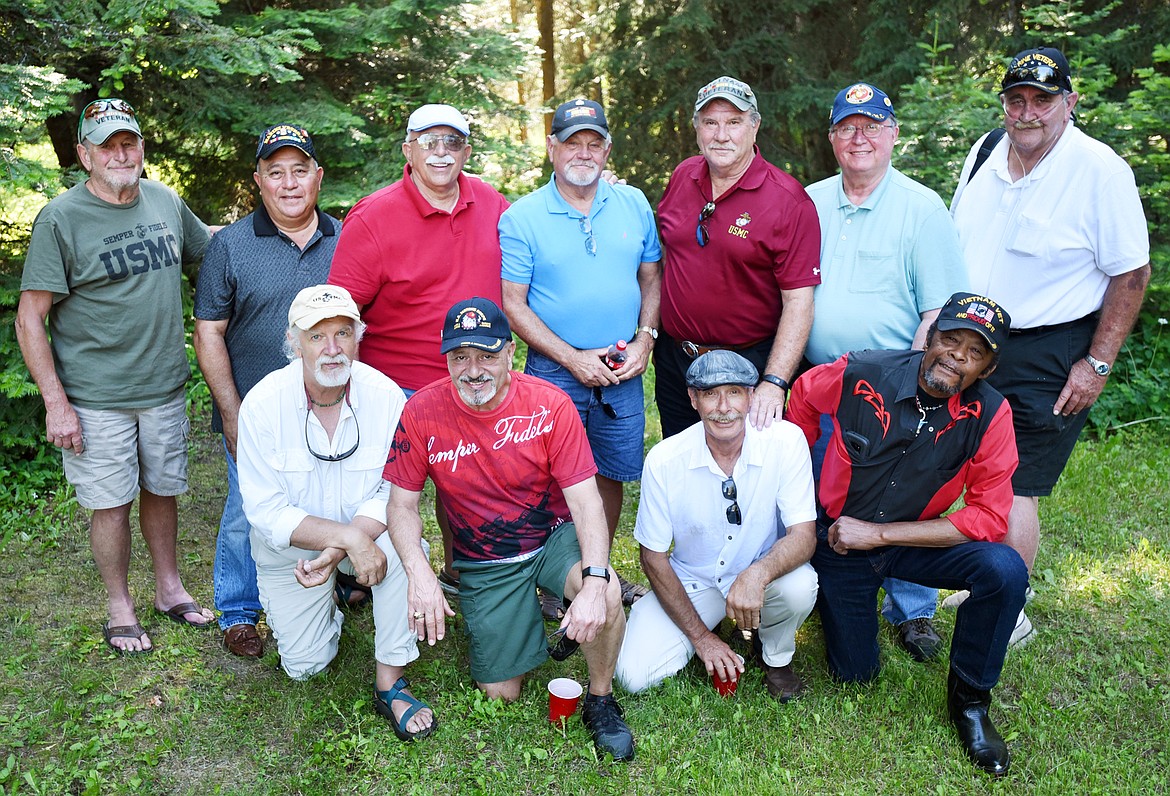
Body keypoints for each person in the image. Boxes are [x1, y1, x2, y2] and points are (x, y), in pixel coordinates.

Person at [949, 48, 1151, 642]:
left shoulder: (1100, 170)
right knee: (973, 466)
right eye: (1017, 99)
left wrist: (1097, 363)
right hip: (974, 337)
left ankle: (1006, 609)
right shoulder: (986, 151)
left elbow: (1131, 275)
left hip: (1048, 347)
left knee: (1016, 482)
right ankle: (988, 576)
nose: (1028, 112)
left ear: (1070, 102)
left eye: (1043, 99)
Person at [787, 292, 1028, 776]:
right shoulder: (863, 371)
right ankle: (823, 597)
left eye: (974, 352)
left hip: (905, 545)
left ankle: (971, 704)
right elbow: (804, 397)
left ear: (986, 369)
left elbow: (988, 518)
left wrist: (878, 534)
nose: (957, 356)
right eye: (950, 339)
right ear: (929, 338)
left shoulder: (991, 414)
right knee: (856, 676)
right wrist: (801, 485)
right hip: (839, 543)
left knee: (1005, 569)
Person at [384, 297, 635, 762]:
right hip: (485, 558)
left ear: (510, 354)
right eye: (460, 357)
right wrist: (420, 574)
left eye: (486, 355)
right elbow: (401, 506)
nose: (473, 370)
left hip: (551, 537)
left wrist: (597, 580)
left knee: (605, 588)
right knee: (499, 693)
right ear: (446, 359)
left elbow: (585, 501)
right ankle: (547, 627)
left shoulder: (550, 405)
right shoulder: (421, 411)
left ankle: (600, 699)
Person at [15, 97, 214, 655]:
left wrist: (282, 220)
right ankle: (119, 605)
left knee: (163, 488)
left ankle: (169, 589)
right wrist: (56, 403)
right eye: (107, 146)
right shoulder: (62, 218)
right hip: (97, 396)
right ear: (84, 155)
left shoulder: (165, 202)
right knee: (111, 501)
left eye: (128, 143)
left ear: (141, 149)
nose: (120, 154)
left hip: (164, 386)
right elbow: (30, 318)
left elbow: (213, 248)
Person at [804, 83, 970, 662]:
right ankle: (834, 593)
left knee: (905, 493)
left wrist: (912, 387)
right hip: (821, 379)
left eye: (873, 125)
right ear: (832, 138)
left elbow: (940, 313)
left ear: (894, 133)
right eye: (848, 126)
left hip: (897, 382)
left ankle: (914, 611)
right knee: (829, 488)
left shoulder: (922, 209)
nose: (860, 136)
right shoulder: (811, 201)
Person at [235, 285, 435, 741]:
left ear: (358, 337)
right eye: (316, 336)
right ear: (294, 342)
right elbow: (266, 511)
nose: (331, 349)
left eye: (343, 333)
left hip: (370, 531)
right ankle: (342, 591)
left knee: (407, 547)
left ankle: (391, 681)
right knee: (306, 667)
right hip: (295, 551)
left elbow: (394, 489)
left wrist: (351, 541)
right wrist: (345, 543)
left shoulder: (386, 396)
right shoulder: (262, 404)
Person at [328, 103, 511, 596]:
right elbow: (342, 313)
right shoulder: (374, 216)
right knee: (384, 488)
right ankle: (361, 571)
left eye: (451, 142)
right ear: (408, 149)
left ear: (466, 152)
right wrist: (344, 386)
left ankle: (465, 571)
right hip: (397, 384)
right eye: (428, 141)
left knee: (473, 482)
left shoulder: (494, 206)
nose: (440, 152)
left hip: (474, 376)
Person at [500, 98, 662, 607]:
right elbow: (514, 305)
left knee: (610, 470)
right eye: (573, 143)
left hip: (621, 364)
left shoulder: (633, 203)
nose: (584, 153)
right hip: (555, 366)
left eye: (595, 144)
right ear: (552, 148)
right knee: (549, 475)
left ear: (608, 150)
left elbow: (651, 277)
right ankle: (553, 578)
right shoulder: (522, 216)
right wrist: (572, 358)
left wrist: (646, 338)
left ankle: (598, 571)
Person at [194, 123, 343, 658]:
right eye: (275, 172)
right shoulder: (230, 246)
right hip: (255, 414)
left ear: (318, 177)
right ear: (258, 180)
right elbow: (208, 330)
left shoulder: (345, 240)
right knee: (244, 509)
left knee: (329, 496)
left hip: (332, 407)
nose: (288, 183)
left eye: (299, 171)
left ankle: (333, 582)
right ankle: (237, 611)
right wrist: (230, 413)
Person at [614, 351, 818, 700]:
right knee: (633, 676)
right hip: (695, 578)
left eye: (735, 392)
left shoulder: (786, 441)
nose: (724, 407)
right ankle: (711, 627)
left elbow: (804, 537)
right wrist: (701, 638)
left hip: (762, 571)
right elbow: (653, 557)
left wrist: (756, 575)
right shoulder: (665, 460)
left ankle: (776, 658)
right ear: (693, 399)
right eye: (710, 394)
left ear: (752, 395)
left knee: (800, 585)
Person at [655, 75, 821, 438]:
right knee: (684, 462)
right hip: (677, 361)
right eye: (711, 122)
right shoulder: (683, 177)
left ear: (755, 126)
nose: (721, 134)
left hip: (746, 365)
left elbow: (799, 302)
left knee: (746, 475)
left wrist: (775, 381)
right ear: (697, 128)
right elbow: (667, 257)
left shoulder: (788, 202)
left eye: (734, 122)